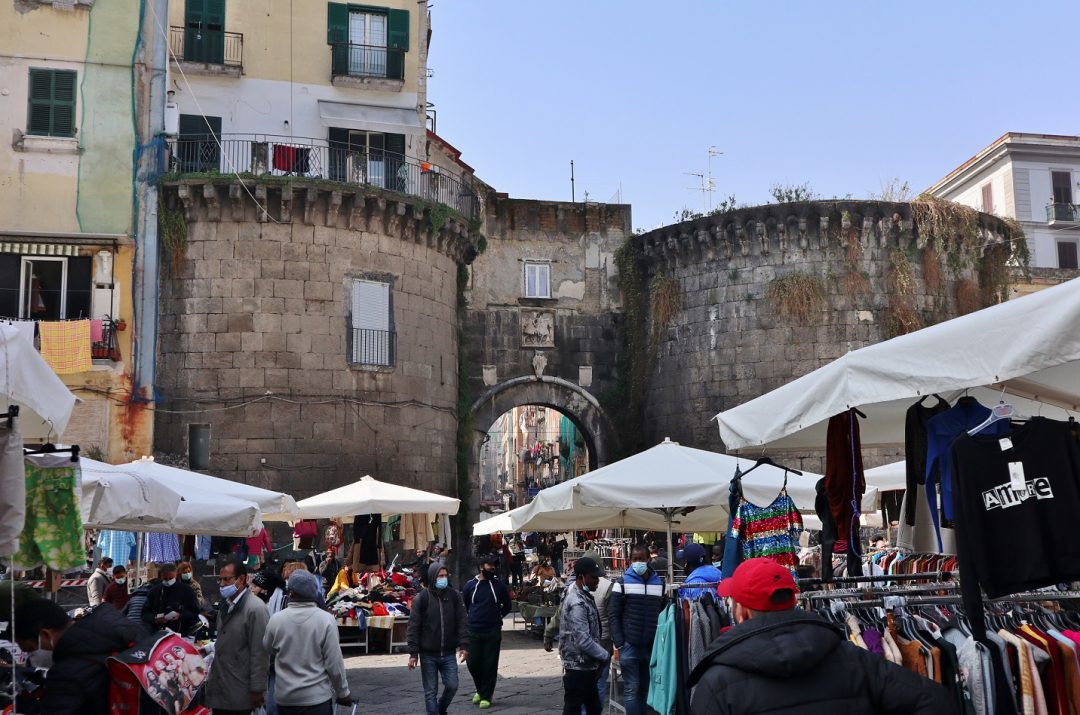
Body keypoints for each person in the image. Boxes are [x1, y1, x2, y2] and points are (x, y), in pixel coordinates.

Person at [688, 558, 954, 714]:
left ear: (741, 612)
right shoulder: (853, 659)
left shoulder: (716, 682)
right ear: (792, 602)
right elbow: (936, 701)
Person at [14, 596, 144, 715]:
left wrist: (26, 706)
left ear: (45, 635)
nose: (30, 657)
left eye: (30, 649)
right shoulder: (117, 625)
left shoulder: (65, 673)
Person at [262, 570, 351, 715]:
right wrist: (343, 692)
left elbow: (267, 648)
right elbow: (334, 663)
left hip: (286, 699)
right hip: (317, 699)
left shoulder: (277, 620)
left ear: (290, 592)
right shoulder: (325, 620)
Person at [544, 550, 614, 712]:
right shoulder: (577, 602)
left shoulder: (584, 596)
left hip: (586, 664)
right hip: (578, 665)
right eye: (594, 577)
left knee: (592, 707)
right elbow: (582, 639)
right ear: (582, 577)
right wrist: (604, 655)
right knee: (574, 707)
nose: (598, 580)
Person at [202, 560, 271, 715]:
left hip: (240, 691)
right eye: (220, 579)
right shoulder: (226, 606)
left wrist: (258, 689)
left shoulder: (256, 609)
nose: (221, 584)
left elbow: (260, 653)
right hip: (221, 688)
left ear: (241, 579)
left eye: (227, 579)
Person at [407, 562, 469, 715]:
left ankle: (441, 709)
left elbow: (462, 621)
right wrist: (413, 653)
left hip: (448, 653)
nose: (444, 579)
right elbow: (413, 626)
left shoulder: (454, 596)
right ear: (433, 577)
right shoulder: (421, 599)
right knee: (430, 692)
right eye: (441, 576)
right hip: (428, 655)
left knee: (452, 685)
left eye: (445, 576)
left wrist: (464, 645)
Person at [609, 545, 664, 715]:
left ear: (649, 560)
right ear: (629, 561)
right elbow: (613, 614)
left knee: (647, 689)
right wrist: (620, 643)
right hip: (629, 646)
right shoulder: (622, 583)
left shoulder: (659, 583)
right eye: (634, 559)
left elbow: (662, 612)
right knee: (632, 689)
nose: (638, 562)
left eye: (641, 559)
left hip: (650, 646)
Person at [462, 554, 511, 710]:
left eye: (494, 565)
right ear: (481, 567)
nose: (493, 567)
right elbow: (467, 604)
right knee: (473, 663)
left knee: (490, 664)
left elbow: (507, 606)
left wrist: (497, 617)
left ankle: (486, 696)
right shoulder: (470, 585)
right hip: (473, 630)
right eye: (490, 565)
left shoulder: (499, 586)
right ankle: (480, 689)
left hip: (493, 631)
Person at [142, 562, 201, 635]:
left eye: (171, 578)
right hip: (157, 632)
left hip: (181, 632)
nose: (168, 581)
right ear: (161, 576)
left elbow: (195, 611)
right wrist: (155, 618)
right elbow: (145, 614)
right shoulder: (154, 591)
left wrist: (180, 615)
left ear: (176, 575)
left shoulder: (187, 590)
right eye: (165, 579)